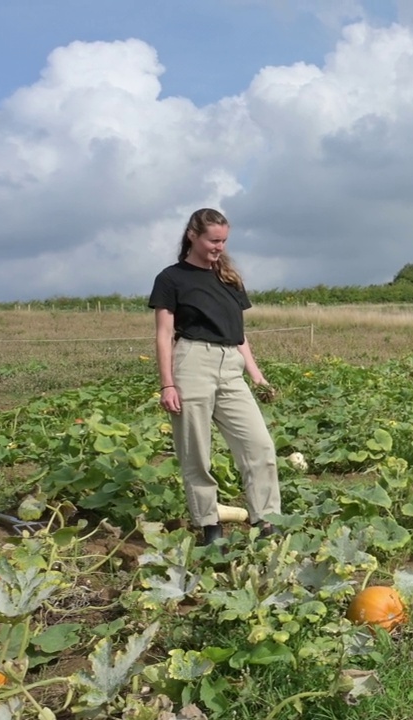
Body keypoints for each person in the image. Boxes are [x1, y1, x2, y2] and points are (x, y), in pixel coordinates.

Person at [148, 208, 281, 547]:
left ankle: (266, 520)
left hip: (230, 365)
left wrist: (256, 373)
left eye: (223, 241)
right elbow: (164, 335)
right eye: (213, 240)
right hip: (191, 362)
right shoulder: (171, 278)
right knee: (197, 452)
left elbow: (239, 334)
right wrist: (167, 383)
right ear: (192, 235)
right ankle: (209, 525)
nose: (219, 247)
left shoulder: (229, 279)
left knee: (259, 446)